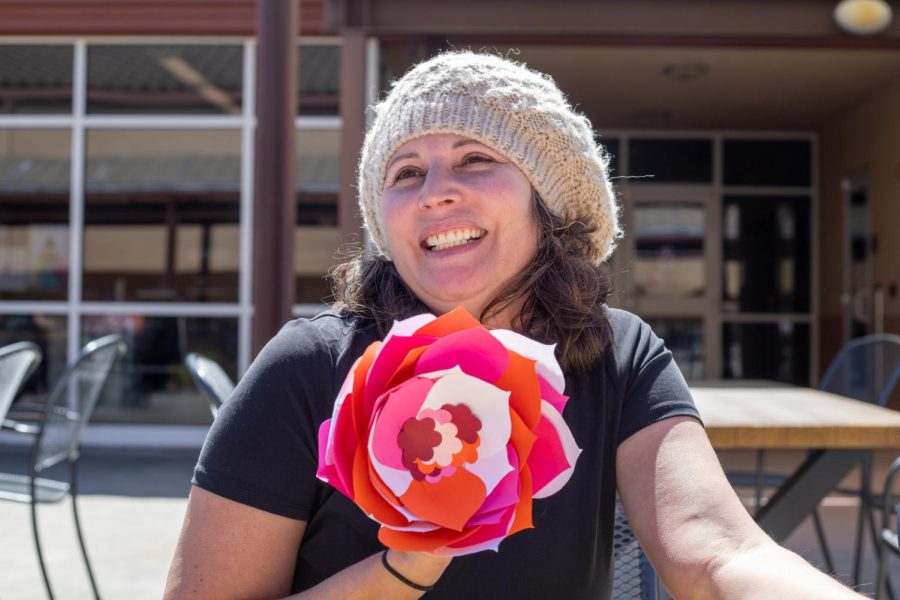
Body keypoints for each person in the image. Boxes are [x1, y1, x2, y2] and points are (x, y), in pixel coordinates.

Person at [164, 51, 864, 599]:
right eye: (405, 173)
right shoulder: (310, 366)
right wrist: (401, 570)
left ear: (548, 205)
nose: (436, 189)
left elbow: (719, 554)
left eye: (477, 159)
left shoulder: (619, 355)